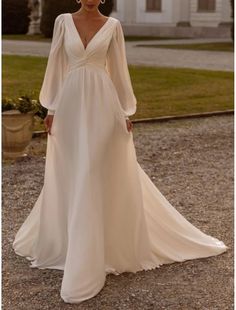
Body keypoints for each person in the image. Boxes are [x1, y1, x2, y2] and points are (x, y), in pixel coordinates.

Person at [12, 0, 228, 304]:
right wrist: (52, 107)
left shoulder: (113, 26)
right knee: (73, 169)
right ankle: (72, 242)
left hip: (104, 105)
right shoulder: (62, 21)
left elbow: (118, 71)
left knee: (95, 170)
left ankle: (95, 252)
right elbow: (56, 64)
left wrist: (125, 111)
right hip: (71, 104)